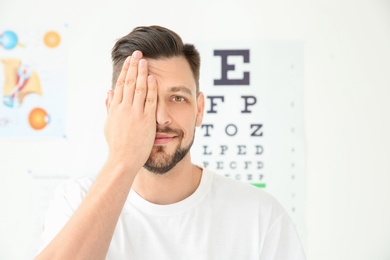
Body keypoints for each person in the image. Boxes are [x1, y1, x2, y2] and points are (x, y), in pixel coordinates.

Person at [35, 25, 306, 260]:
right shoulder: (74, 201)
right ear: (112, 108)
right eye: (143, 98)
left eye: (178, 98)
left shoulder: (260, 216)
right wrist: (122, 159)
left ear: (199, 109)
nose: (161, 118)